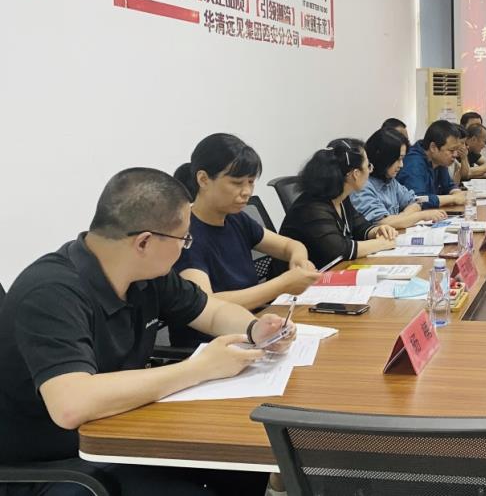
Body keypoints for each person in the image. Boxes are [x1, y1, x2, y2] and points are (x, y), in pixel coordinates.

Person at [0, 168, 291, 495]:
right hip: (56, 465)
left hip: (122, 429)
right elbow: (71, 405)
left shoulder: (148, 274)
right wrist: (199, 369)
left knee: (243, 468)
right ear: (144, 242)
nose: (185, 248)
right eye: (184, 239)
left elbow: (210, 311)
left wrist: (254, 328)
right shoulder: (50, 293)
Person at [170, 133, 321, 348]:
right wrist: (283, 284)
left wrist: (299, 260)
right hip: (212, 345)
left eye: (251, 182)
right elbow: (206, 305)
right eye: (236, 183)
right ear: (203, 179)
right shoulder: (185, 235)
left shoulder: (236, 219)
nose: (247, 192)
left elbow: (291, 245)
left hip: (255, 328)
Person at [276, 139, 399, 270]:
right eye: (368, 166)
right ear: (355, 174)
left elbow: (359, 227)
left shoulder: (340, 197)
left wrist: (377, 231)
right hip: (296, 280)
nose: (370, 171)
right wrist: (381, 244)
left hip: (326, 272)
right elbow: (339, 251)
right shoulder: (312, 209)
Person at [351, 128, 450, 229]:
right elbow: (383, 223)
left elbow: (415, 202)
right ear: (383, 157)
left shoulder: (390, 181)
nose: (401, 165)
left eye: (402, 159)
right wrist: (421, 216)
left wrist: (402, 217)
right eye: (398, 159)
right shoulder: (362, 186)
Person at [397, 120, 467, 208]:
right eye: (451, 150)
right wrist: (452, 198)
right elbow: (417, 199)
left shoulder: (439, 160)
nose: (455, 154)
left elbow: (448, 185)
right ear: (433, 147)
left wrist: (457, 193)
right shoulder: (414, 163)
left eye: (457, 150)